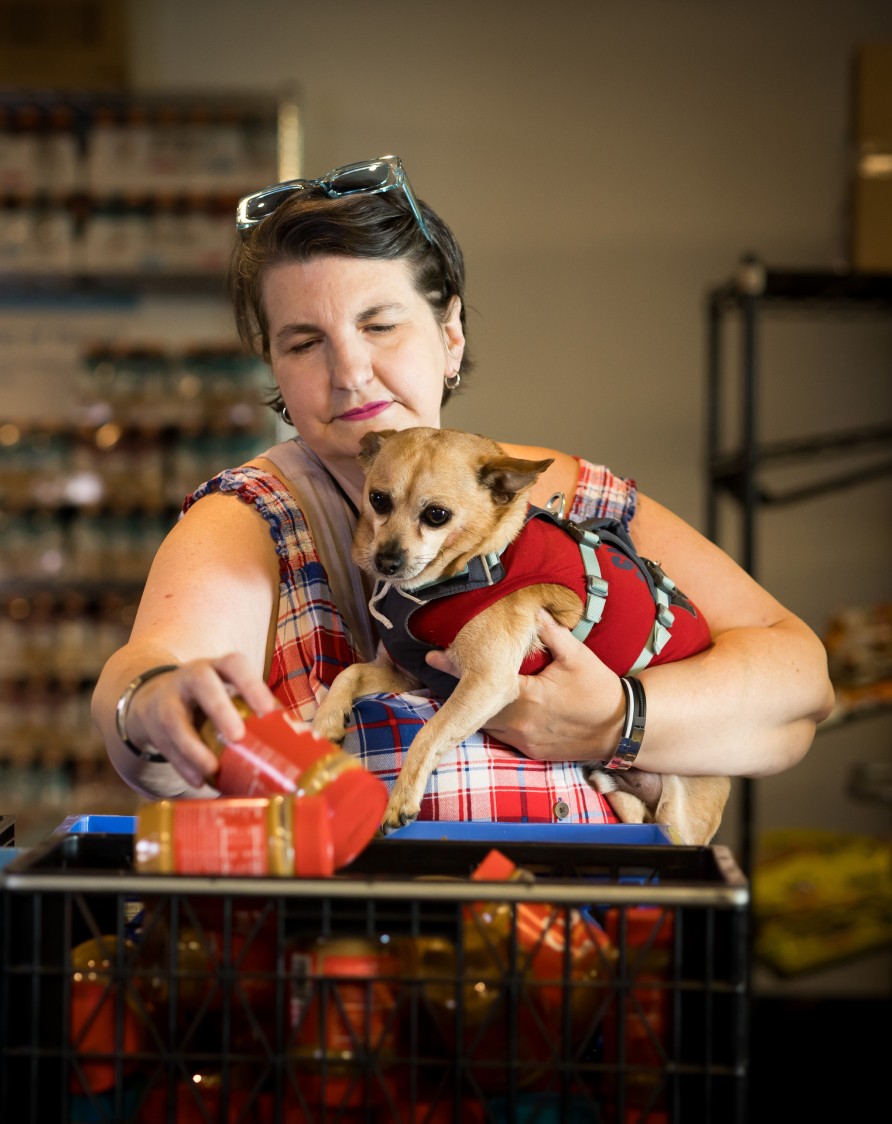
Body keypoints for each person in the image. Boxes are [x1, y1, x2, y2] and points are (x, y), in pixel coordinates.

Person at [91, 155, 835, 824]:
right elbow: (153, 679)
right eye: (304, 342)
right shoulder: (250, 517)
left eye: (380, 325)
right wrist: (149, 703)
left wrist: (615, 719)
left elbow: (800, 690)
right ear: (275, 369)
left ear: (450, 336)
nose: (349, 372)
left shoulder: (569, 496)